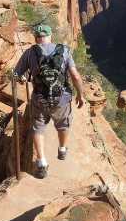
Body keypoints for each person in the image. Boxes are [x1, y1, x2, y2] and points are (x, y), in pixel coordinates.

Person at [13, 24, 84, 179]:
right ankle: (63, 149)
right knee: (63, 124)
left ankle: (42, 163)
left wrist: (23, 77)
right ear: (50, 36)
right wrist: (80, 94)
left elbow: (15, 74)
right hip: (62, 98)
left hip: (40, 98)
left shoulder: (30, 53)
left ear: (36, 38)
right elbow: (75, 76)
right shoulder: (64, 50)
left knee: (38, 128)